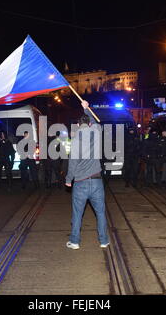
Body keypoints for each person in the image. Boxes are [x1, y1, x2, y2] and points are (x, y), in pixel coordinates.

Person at [65, 100, 109, 250]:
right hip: (97, 181)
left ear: (78, 126)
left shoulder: (76, 141)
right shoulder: (96, 133)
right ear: (89, 124)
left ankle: (75, 241)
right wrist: (87, 108)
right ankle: (103, 241)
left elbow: (72, 163)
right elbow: (96, 122)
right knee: (101, 213)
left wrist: (68, 179)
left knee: (77, 214)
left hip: (81, 182)